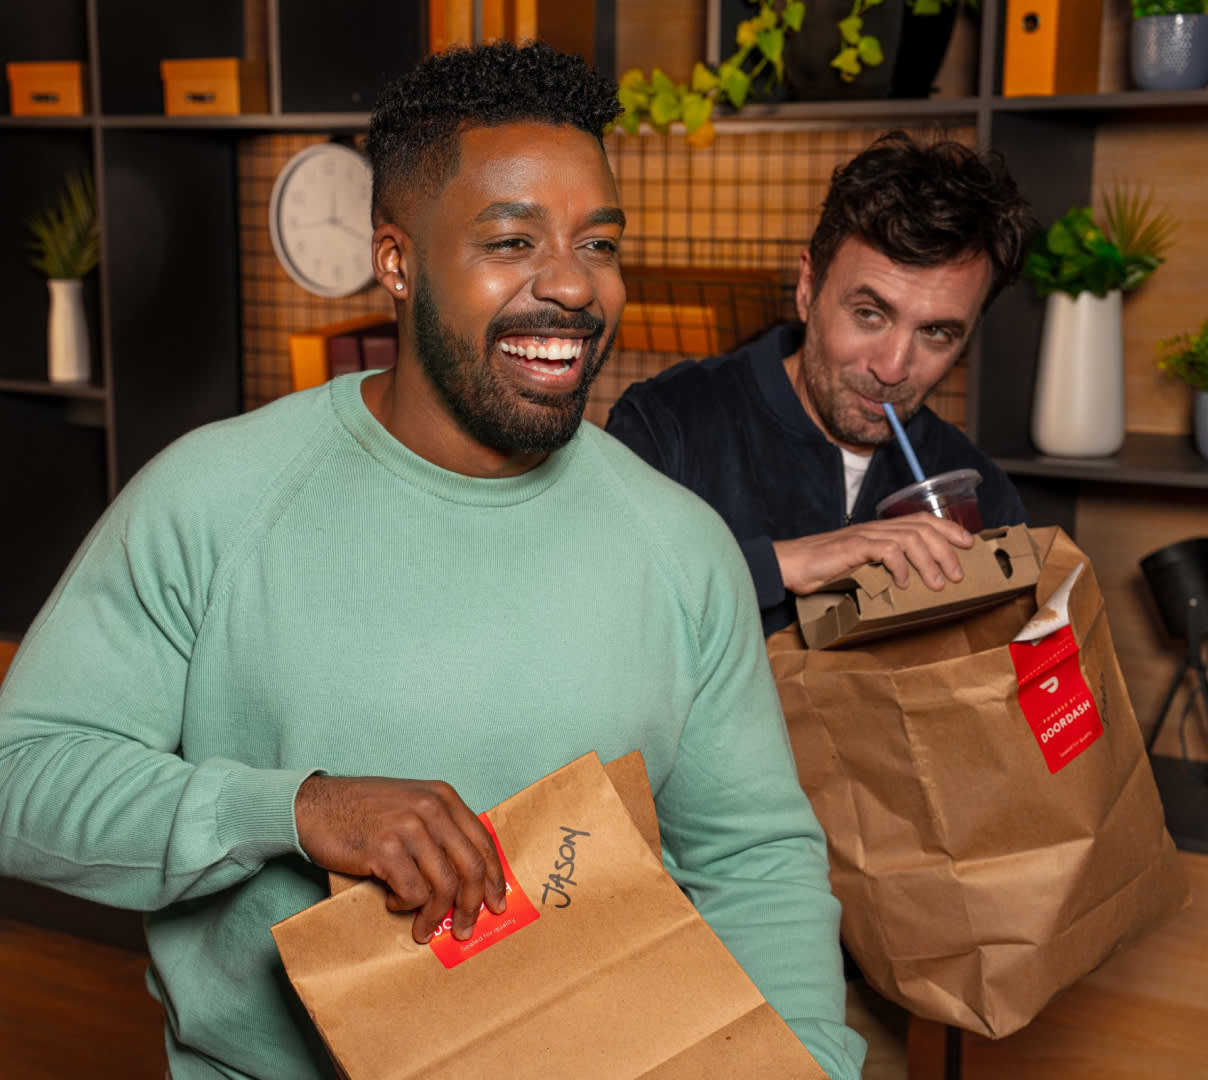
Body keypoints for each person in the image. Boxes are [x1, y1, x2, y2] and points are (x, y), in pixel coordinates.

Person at [0, 41, 865, 1080]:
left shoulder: (680, 547)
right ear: (397, 261)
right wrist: (295, 809)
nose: (571, 286)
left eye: (597, 243)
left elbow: (754, 861)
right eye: (510, 241)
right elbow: (20, 779)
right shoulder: (210, 501)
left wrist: (811, 1063)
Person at [606, 131, 1036, 637]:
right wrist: (781, 565)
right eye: (870, 314)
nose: (893, 369)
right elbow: (590, 604)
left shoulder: (979, 494)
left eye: (936, 332)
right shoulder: (667, 425)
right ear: (809, 289)